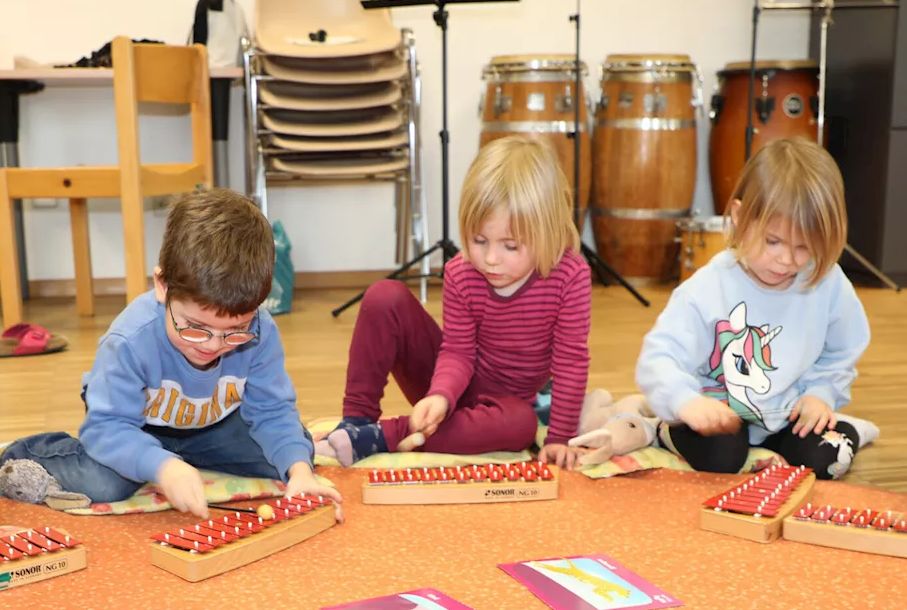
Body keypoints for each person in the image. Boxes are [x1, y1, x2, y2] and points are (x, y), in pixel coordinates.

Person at [2, 189, 342, 519]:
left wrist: (299, 473)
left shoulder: (260, 330)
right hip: (132, 426)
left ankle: (183, 460)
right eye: (195, 327)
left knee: (292, 451)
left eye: (234, 331)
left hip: (213, 428)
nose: (211, 345)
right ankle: (30, 451)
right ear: (162, 287)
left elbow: (272, 410)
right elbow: (108, 427)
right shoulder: (129, 339)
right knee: (103, 484)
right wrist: (162, 466)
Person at [316, 135, 592, 467]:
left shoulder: (571, 276)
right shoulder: (462, 272)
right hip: (447, 385)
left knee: (522, 425)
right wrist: (440, 396)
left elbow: (570, 363)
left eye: (510, 246)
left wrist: (560, 438)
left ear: (547, 233)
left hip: (503, 408)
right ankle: (357, 424)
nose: (490, 258)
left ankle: (382, 437)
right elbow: (458, 351)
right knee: (383, 296)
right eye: (479, 240)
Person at [636, 137, 871, 479]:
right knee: (721, 458)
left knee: (825, 461)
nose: (787, 260)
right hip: (719, 416)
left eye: (805, 248)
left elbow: (843, 350)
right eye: (773, 241)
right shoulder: (709, 286)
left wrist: (822, 394)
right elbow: (659, 356)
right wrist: (686, 402)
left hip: (786, 415)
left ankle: (843, 431)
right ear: (740, 216)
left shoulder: (828, 282)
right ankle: (662, 431)